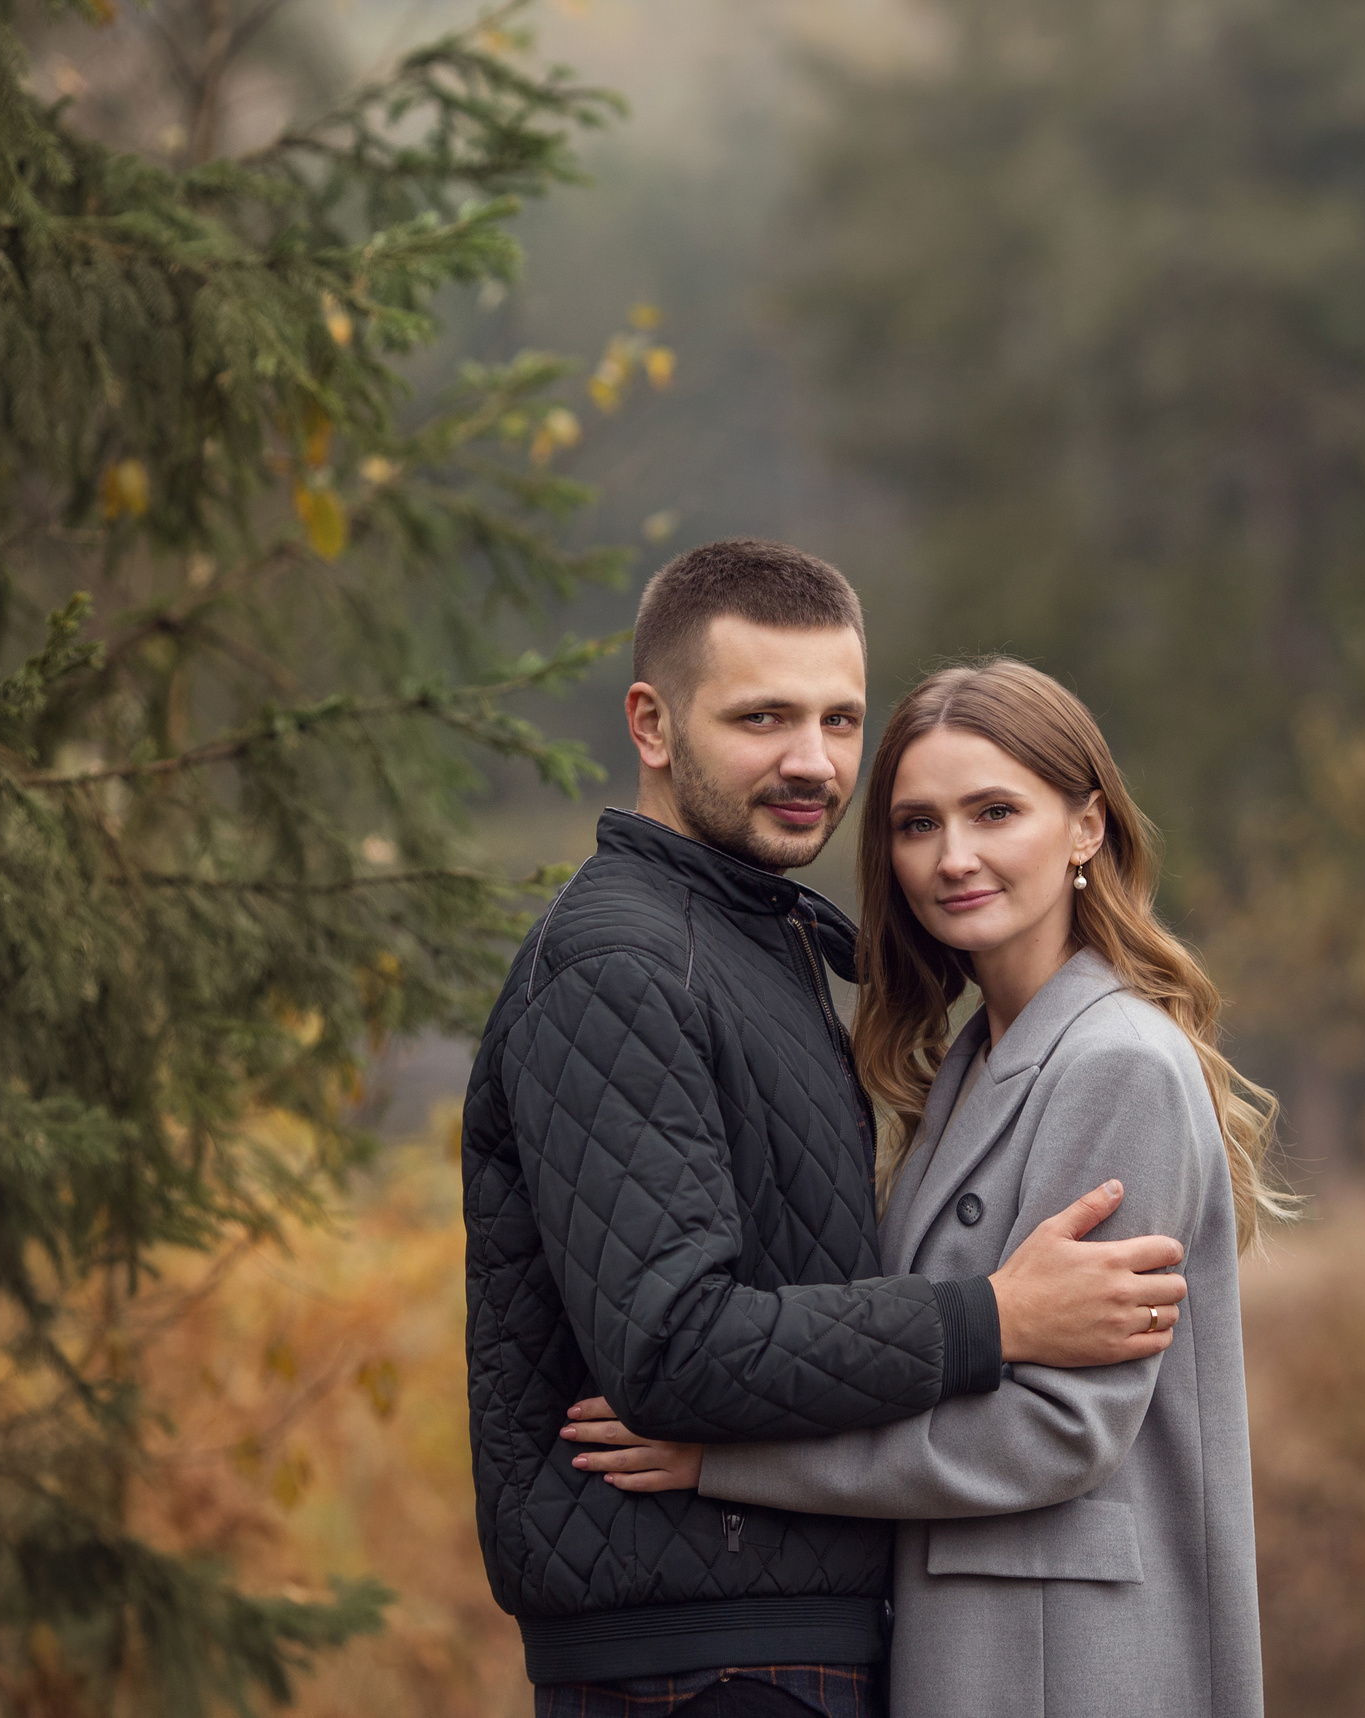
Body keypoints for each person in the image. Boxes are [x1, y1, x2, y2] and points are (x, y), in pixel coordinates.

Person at [462, 544, 1194, 1718]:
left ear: (1086, 828)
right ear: (651, 724)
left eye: (839, 719)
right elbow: (671, 1346)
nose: (812, 760)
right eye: (762, 717)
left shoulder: (757, 945)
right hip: (701, 1657)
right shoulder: (623, 963)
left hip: (770, 1634)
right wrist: (991, 1316)